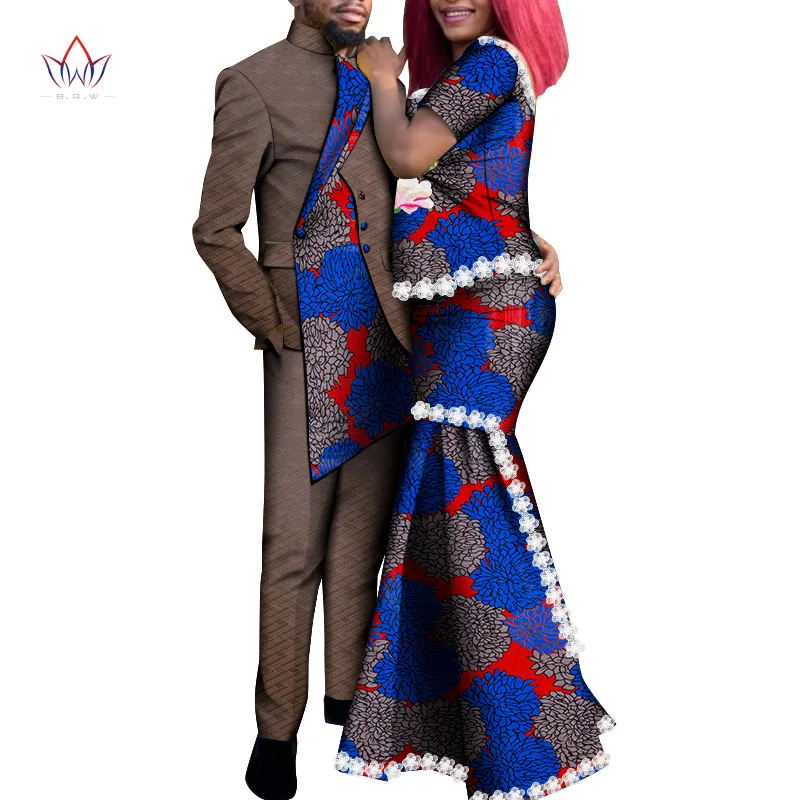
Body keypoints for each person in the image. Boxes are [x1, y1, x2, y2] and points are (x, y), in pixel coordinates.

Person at [193, 1, 564, 798]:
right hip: (311, 334)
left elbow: (436, 180)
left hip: (402, 333)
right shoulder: (256, 82)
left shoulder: (396, 77)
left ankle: (363, 708)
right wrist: (275, 324)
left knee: (381, 536)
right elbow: (215, 229)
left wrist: (519, 237)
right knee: (294, 545)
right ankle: (277, 733)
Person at [335, 1, 615, 798]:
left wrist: (381, 79)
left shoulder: (492, 59)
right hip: (457, 307)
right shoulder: (464, 74)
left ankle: (532, 745)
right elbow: (476, 190)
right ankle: (473, 734)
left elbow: (408, 152)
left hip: (488, 314)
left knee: (468, 508)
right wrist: (528, 234)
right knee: (445, 509)